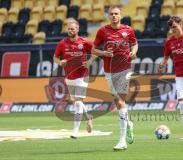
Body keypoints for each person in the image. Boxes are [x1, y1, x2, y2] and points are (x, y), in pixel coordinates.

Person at [92, 6, 138, 150]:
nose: (113, 16)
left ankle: (122, 140)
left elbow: (135, 44)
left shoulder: (128, 30)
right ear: (108, 16)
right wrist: (104, 53)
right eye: (111, 14)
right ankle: (129, 123)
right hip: (109, 71)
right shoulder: (103, 31)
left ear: (121, 15)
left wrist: (133, 52)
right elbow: (93, 49)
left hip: (124, 69)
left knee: (120, 101)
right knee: (118, 103)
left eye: (116, 14)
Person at [54, 18, 95, 138]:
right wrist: (60, 62)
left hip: (82, 76)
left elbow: (95, 52)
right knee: (77, 101)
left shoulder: (85, 42)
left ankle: (75, 130)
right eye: (69, 29)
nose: (70, 30)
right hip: (69, 76)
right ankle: (88, 117)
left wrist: (89, 61)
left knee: (77, 101)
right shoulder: (62, 43)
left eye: (73, 28)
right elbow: (55, 57)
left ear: (77, 29)